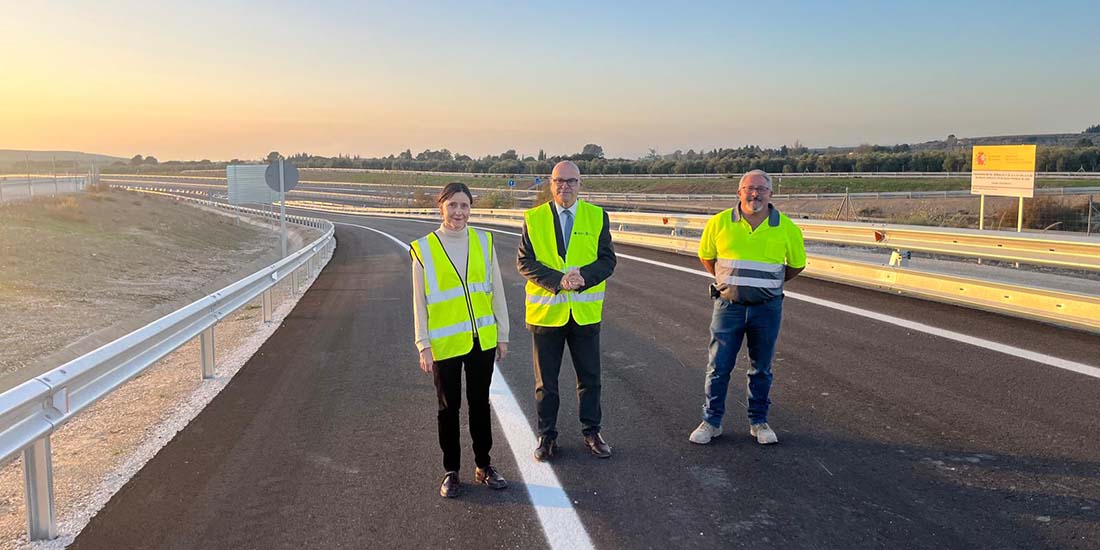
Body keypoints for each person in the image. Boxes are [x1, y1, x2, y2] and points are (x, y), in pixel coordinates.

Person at [689, 169, 806, 446]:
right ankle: (711, 422)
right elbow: (707, 258)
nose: (755, 194)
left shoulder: (787, 228)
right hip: (728, 306)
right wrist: (730, 284)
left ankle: (759, 422)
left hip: (767, 308)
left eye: (761, 189)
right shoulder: (719, 223)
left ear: (771, 194)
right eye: (749, 188)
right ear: (739, 192)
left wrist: (766, 286)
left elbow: (797, 264)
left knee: (761, 368)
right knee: (718, 367)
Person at [410, 182, 510, 498]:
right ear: (441, 207)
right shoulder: (424, 248)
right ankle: (451, 471)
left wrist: (503, 334)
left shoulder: (484, 241)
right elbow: (419, 301)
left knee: (480, 405)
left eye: (464, 205)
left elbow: (497, 291)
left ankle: (484, 466)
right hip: (444, 344)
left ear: (470, 209)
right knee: (447, 408)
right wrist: (423, 344)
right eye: (452, 205)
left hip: (482, 340)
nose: (459, 212)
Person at [517, 161, 616, 461]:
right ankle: (547, 436)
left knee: (590, 378)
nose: (565, 186)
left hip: (584, 314)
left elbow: (607, 260)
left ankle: (592, 432)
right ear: (550, 183)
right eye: (559, 181)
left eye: (571, 181)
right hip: (546, 314)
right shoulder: (534, 218)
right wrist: (558, 281)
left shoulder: (597, 216)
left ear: (580, 184)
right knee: (545, 383)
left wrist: (584, 277)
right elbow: (525, 262)